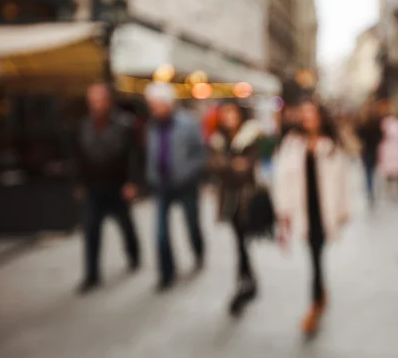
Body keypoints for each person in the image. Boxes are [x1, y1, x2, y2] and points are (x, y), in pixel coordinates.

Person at [274, 99, 351, 335]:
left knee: (316, 256)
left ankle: (315, 304)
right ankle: (318, 298)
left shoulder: (331, 146)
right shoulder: (291, 144)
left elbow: (343, 183)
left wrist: (342, 212)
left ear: (321, 117)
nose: (306, 118)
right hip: (303, 210)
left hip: (324, 210)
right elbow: (281, 179)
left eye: (311, 113)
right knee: (315, 256)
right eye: (303, 113)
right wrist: (283, 211)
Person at [73, 83, 141, 294]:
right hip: (94, 187)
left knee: (125, 225)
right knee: (91, 230)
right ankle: (92, 274)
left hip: (117, 186)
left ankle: (134, 255)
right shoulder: (83, 125)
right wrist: (79, 183)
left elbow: (134, 156)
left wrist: (132, 182)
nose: (96, 104)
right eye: (92, 100)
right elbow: (77, 157)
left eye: (100, 100)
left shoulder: (124, 124)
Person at [145, 82, 207, 291]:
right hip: (161, 185)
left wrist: (187, 173)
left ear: (167, 103)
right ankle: (166, 274)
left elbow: (200, 154)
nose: (153, 109)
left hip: (186, 185)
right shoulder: (151, 125)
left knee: (192, 225)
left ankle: (198, 251)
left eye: (156, 105)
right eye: (151, 105)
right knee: (161, 233)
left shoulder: (188, 123)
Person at [208, 102, 265, 316]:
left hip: (246, 198)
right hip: (228, 198)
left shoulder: (249, 136)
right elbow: (214, 165)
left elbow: (247, 167)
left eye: (232, 112)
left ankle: (245, 279)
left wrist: (230, 165)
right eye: (225, 113)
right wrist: (232, 165)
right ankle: (246, 278)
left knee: (242, 239)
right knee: (239, 239)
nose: (228, 117)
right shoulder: (219, 139)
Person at [377, 112, 398, 202]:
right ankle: (396, 192)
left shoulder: (388, 125)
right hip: (393, 152)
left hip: (393, 152)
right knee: (396, 172)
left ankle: (392, 191)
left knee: (394, 172)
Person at [356, 101, 384, 205]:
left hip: (366, 150)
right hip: (374, 150)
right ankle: (372, 189)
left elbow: (359, 135)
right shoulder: (377, 124)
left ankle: (370, 189)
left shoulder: (364, 125)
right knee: (373, 171)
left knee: (368, 172)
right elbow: (381, 137)